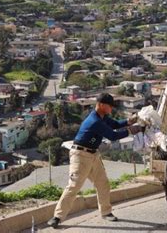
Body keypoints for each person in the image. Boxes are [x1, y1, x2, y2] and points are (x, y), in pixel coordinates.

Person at [47, 93, 142, 228]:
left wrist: (129, 121)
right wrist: (131, 130)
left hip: (93, 155)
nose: (112, 109)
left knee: (103, 184)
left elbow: (115, 124)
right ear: (102, 105)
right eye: (110, 106)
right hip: (80, 155)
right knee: (74, 186)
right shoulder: (94, 121)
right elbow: (113, 135)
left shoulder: (102, 117)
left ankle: (106, 212)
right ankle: (57, 217)